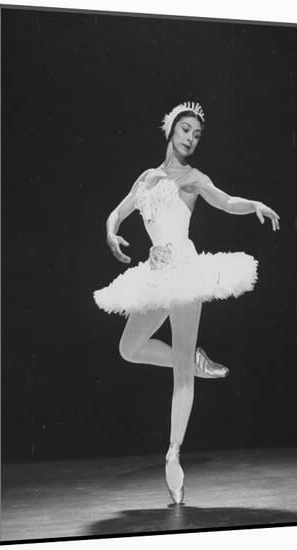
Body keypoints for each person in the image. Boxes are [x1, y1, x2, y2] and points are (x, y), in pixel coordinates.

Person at [93, 101, 280, 505]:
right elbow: (118, 212)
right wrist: (111, 233)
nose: (192, 137)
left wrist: (254, 206)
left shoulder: (193, 178)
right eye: (187, 129)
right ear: (171, 129)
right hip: (155, 275)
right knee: (129, 348)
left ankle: (173, 454)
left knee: (180, 373)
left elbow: (226, 200)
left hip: (185, 271)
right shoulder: (145, 178)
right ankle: (193, 359)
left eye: (197, 133)